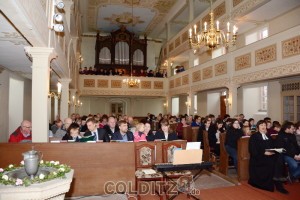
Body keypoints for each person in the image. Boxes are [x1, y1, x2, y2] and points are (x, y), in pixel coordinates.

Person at [248, 120, 288, 194]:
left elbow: (273, 146)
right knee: (273, 163)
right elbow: (252, 150)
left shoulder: (268, 136)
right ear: (257, 127)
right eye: (261, 125)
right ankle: (278, 184)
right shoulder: (254, 136)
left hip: (269, 156)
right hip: (258, 158)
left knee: (280, 159)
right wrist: (264, 153)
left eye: (264, 125)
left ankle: (278, 183)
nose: (263, 127)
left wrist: (277, 150)